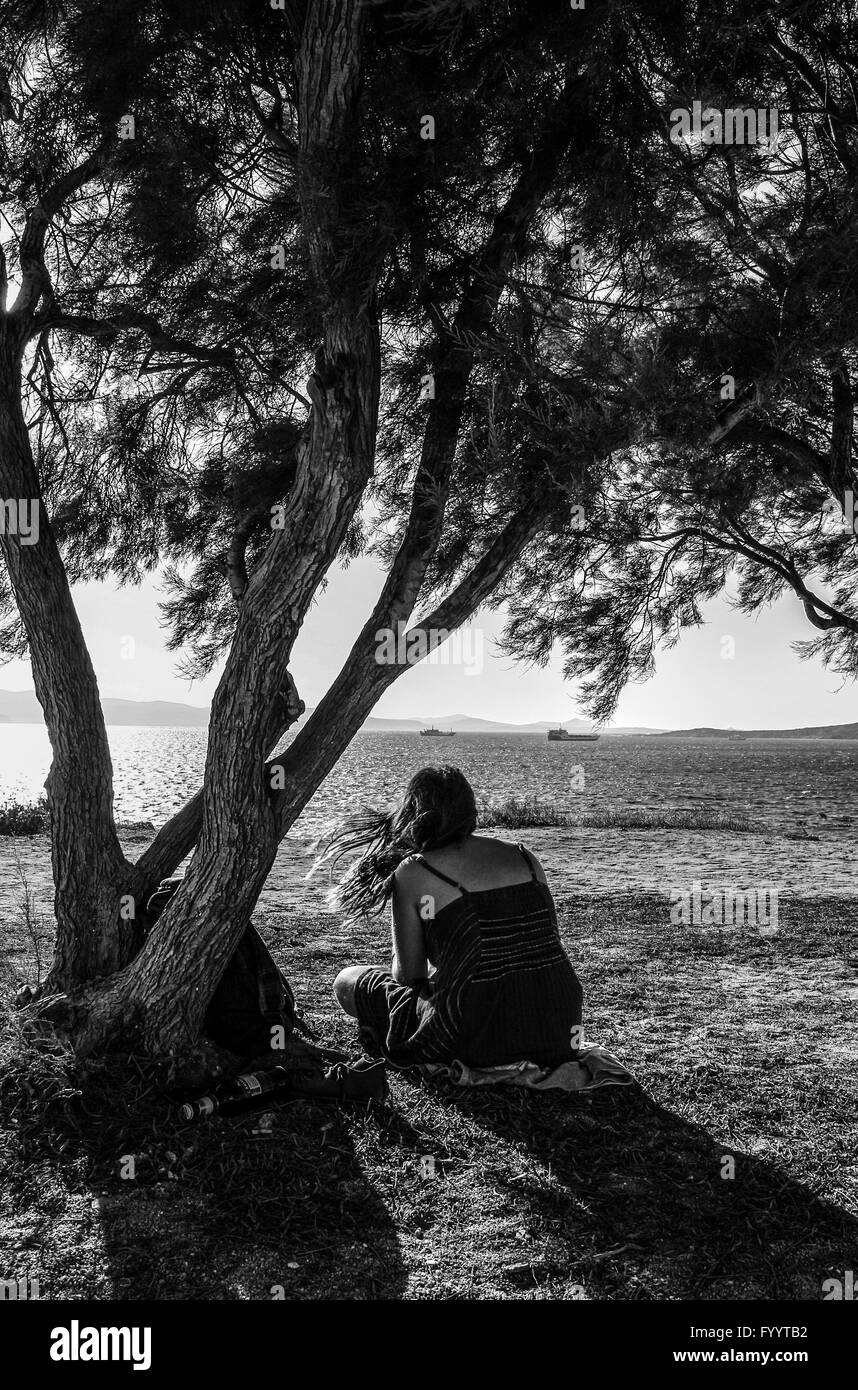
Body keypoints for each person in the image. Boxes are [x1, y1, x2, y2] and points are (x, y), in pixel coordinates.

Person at [322, 765, 583, 1068]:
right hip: (559, 1030)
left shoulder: (415, 870)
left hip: (471, 1035)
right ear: (470, 810)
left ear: (413, 813)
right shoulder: (525, 857)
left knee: (347, 980)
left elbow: (409, 976)